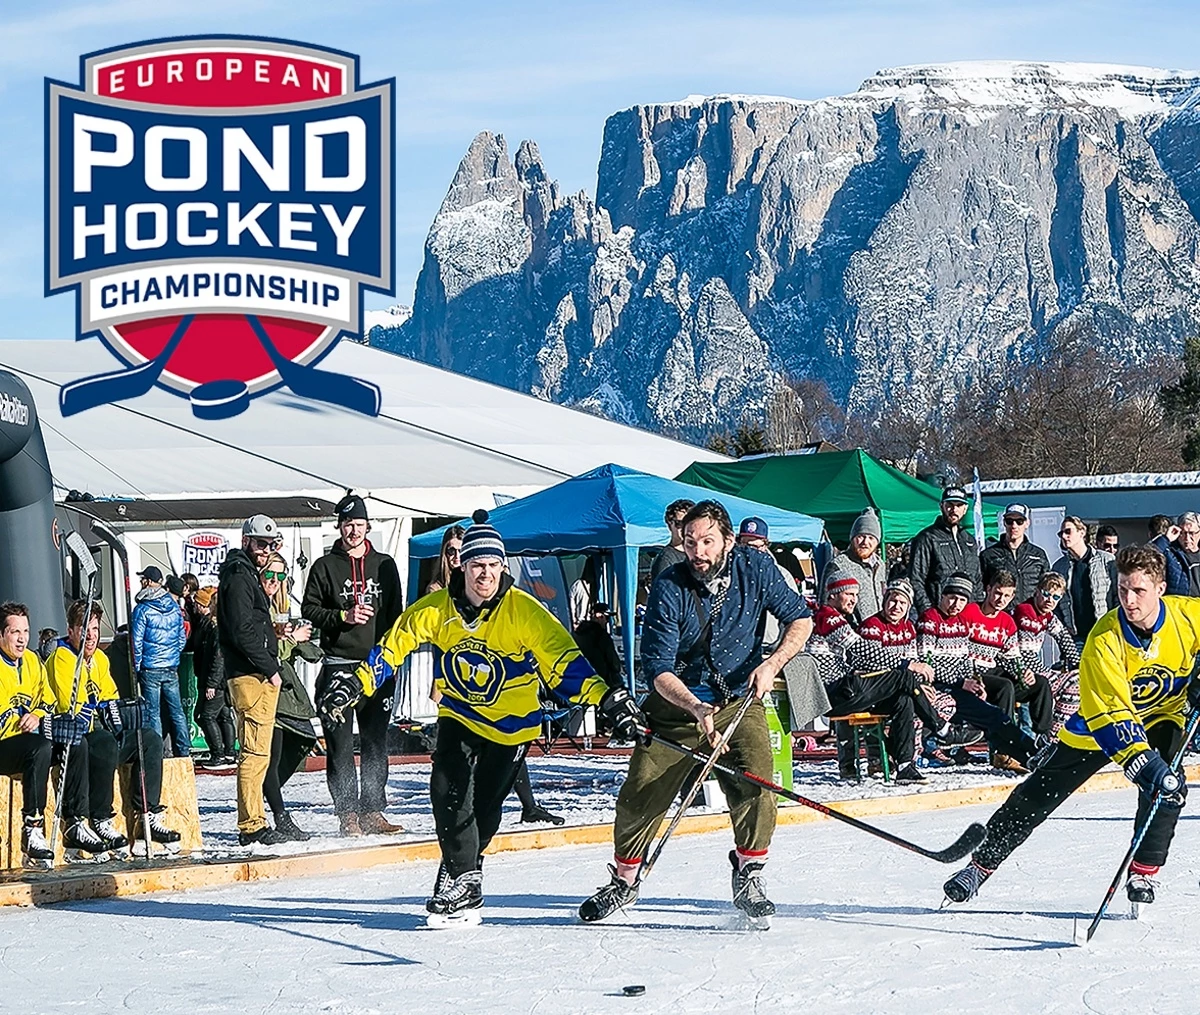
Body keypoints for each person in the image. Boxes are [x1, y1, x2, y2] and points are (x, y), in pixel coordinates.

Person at [318, 510, 629, 925]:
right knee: (446, 789)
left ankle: (462, 867)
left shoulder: (525, 612)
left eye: (494, 565)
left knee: (485, 806)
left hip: (512, 725)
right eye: (478, 565)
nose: (486, 574)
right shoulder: (435, 609)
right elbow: (392, 648)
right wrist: (355, 685)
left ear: (504, 566)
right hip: (460, 715)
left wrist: (606, 698)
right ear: (461, 565)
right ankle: (464, 876)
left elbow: (564, 663)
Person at [577, 500, 812, 928]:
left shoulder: (756, 570)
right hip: (677, 707)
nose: (698, 552)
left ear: (727, 539)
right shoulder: (669, 585)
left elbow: (801, 620)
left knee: (758, 784)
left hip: (739, 703)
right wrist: (696, 706)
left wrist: (772, 663)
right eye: (690, 543)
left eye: (706, 541)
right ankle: (624, 880)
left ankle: (748, 873)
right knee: (641, 793)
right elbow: (657, 669)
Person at [944, 546, 1198, 910]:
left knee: (1168, 788)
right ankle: (980, 866)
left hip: (1162, 714)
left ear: (1160, 589)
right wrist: (1142, 762)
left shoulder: (1188, 616)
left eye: (1139, 591)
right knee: (1038, 793)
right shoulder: (1104, 639)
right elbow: (1111, 713)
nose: (1128, 599)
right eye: (1122, 589)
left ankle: (1143, 870)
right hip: (1101, 726)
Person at [302, 493, 405, 837]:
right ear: (340, 526)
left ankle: (373, 810)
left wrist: (392, 659)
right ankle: (347, 813)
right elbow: (310, 610)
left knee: (376, 741)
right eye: (348, 525)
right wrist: (341, 616)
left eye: (359, 525)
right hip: (339, 664)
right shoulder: (324, 566)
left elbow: (395, 615)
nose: (353, 531)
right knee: (340, 744)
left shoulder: (385, 565)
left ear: (367, 526)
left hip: (377, 666)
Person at [46, 600, 181, 858]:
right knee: (105, 741)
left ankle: (146, 817)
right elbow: (70, 707)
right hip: (76, 739)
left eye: (95, 629)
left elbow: (110, 695)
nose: (91, 636)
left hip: (102, 734)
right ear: (72, 630)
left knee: (149, 739)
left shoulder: (99, 658)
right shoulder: (62, 658)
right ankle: (99, 818)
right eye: (85, 629)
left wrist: (123, 712)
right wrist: (103, 711)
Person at [808, 576, 950, 784]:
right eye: (849, 594)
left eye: (856, 595)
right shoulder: (828, 617)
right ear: (832, 595)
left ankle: (904, 766)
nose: (854, 600)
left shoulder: (904, 627)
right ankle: (938, 725)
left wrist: (913, 678)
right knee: (903, 675)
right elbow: (862, 651)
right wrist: (907, 665)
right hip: (833, 693)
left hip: (849, 689)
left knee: (904, 700)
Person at [0, 602, 90, 865]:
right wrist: (18, 719)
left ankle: (74, 823)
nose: (22, 638)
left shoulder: (31, 661)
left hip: (31, 740)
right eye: (15, 632)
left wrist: (36, 715)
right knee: (38, 747)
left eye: (25, 631)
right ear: (2, 634)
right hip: (5, 743)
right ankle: (32, 829)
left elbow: (47, 700)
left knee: (75, 743)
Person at [917, 572, 1038, 768]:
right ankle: (1025, 753)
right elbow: (927, 665)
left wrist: (975, 682)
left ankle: (1030, 753)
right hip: (939, 687)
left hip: (959, 686)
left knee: (996, 716)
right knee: (991, 716)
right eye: (952, 598)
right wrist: (961, 682)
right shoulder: (930, 619)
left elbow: (965, 659)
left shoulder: (960, 622)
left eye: (962, 600)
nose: (956, 604)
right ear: (943, 596)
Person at [219, 514, 288, 847]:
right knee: (255, 753)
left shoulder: (243, 573)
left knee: (258, 752)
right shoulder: (238, 577)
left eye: (271, 545)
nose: (265, 551)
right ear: (246, 540)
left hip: (254, 672)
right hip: (251, 676)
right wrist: (270, 668)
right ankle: (251, 824)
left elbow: (250, 627)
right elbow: (242, 631)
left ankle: (255, 819)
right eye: (261, 544)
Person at [961, 571, 1054, 771]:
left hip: (994, 669)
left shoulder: (1007, 622)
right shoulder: (970, 612)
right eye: (997, 593)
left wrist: (1024, 673)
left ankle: (1044, 739)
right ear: (988, 590)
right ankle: (1002, 751)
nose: (1000, 599)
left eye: (1006, 596)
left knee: (1040, 683)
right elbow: (957, 649)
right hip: (971, 671)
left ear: (1012, 596)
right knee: (1005, 687)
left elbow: (1012, 658)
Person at [261, 552, 320, 842]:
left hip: (282, 690)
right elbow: (265, 650)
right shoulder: (257, 603)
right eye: (269, 575)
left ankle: (270, 796)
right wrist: (290, 641)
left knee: (297, 743)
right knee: (268, 758)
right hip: (261, 687)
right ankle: (278, 813)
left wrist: (295, 638)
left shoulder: (279, 605)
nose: (274, 581)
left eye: (280, 576)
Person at [1014, 572, 1082, 741]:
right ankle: (1053, 737)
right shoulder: (1025, 611)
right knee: (1073, 683)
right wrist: (1052, 673)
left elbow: (1064, 637)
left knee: (1076, 679)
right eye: (1045, 594)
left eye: (1056, 597)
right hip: (1019, 669)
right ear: (1036, 591)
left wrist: (1077, 663)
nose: (1049, 600)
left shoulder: (1047, 615)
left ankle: (1055, 734)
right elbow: (1027, 654)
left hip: (1032, 670)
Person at [130, 564, 189, 757]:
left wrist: (137, 666)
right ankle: (184, 751)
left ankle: (156, 753)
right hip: (170, 666)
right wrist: (173, 655)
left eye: (142, 579)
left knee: (153, 713)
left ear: (147, 581)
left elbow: (135, 642)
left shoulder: (142, 609)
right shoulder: (174, 606)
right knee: (177, 711)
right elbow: (182, 637)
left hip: (150, 667)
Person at [908, 486, 982, 615]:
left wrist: (978, 611)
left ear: (965, 509)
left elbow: (977, 579)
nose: (954, 510)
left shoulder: (969, 541)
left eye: (959, 505)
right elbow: (916, 579)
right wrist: (928, 612)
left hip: (968, 616)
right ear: (941, 506)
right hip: (939, 615)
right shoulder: (927, 538)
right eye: (950, 505)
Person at [1052, 516, 1117, 647]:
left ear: (1082, 532)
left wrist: (1114, 623)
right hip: (1076, 637)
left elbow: (1117, 595)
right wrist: (1064, 628)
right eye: (1061, 533)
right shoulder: (1059, 567)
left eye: (1068, 531)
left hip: (1104, 632)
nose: (1064, 536)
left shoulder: (1107, 560)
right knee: (1077, 667)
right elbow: (1055, 602)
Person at [192, 587, 235, 767]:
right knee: (224, 716)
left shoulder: (215, 628)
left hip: (216, 681)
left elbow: (218, 658)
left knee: (204, 716)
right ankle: (229, 752)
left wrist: (212, 684)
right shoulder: (211, 625)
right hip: (219, 679)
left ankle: (219, 754)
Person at [820, 508, 887, 623]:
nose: (865, 542)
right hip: (849, 631)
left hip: (877, 630)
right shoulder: (838, 565)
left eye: (871, 538)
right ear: (852, 539)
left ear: (877, 542)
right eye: (861, 536)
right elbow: (825, 604)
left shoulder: (880, 565)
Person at [978, 503, 1048, 608]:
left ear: (1027, 523)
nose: (1014, 526)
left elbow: (1048, 588)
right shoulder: (988, 555)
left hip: (1031, 615)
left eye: (1019, 521)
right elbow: (980, 588)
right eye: (1009, 521)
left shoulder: (1038, 554)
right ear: (1004, 523)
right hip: (1001, 615)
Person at [572, 602, 625, 690]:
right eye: (606, 617)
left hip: (583, 681)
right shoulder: (601, 635)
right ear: (598, 616)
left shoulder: (578, 634)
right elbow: (614, 663)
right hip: (603, 681)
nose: (607, 621)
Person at [650, 498, 695, 582]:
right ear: (670, 524)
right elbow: (662, 592)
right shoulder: (666, 559)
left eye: (689, 523)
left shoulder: (699, 553)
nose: (684, 528)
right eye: (679, 523)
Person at [1150, 514, 1189, 597]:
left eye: (1192, 533)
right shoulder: (1171, 552)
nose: (1187, 538)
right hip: (1177, 604)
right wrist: (1165, 539)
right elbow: (1148, 555)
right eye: (1183, 533)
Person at [424, 526, 465, 594]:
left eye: (461, 550)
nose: (457, 556)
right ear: (445, 552)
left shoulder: (474, 582)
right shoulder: (435, 588)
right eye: (452, 551)